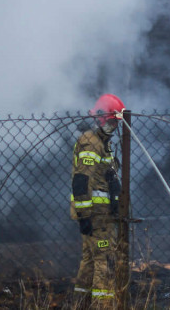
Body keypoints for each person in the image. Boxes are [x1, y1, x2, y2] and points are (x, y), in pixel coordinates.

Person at [71, 93, 125, 308]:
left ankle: (81, 304)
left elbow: (107, 175)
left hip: (99, 214)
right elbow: (81, 181)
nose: (114, 126)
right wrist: (85, 215)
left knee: (90, 261)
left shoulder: (102, 142)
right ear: (101, 118)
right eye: (112, 121)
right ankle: (103, 305)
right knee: (105, 260)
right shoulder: (91, 143)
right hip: (96, 216)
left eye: (116, 123)